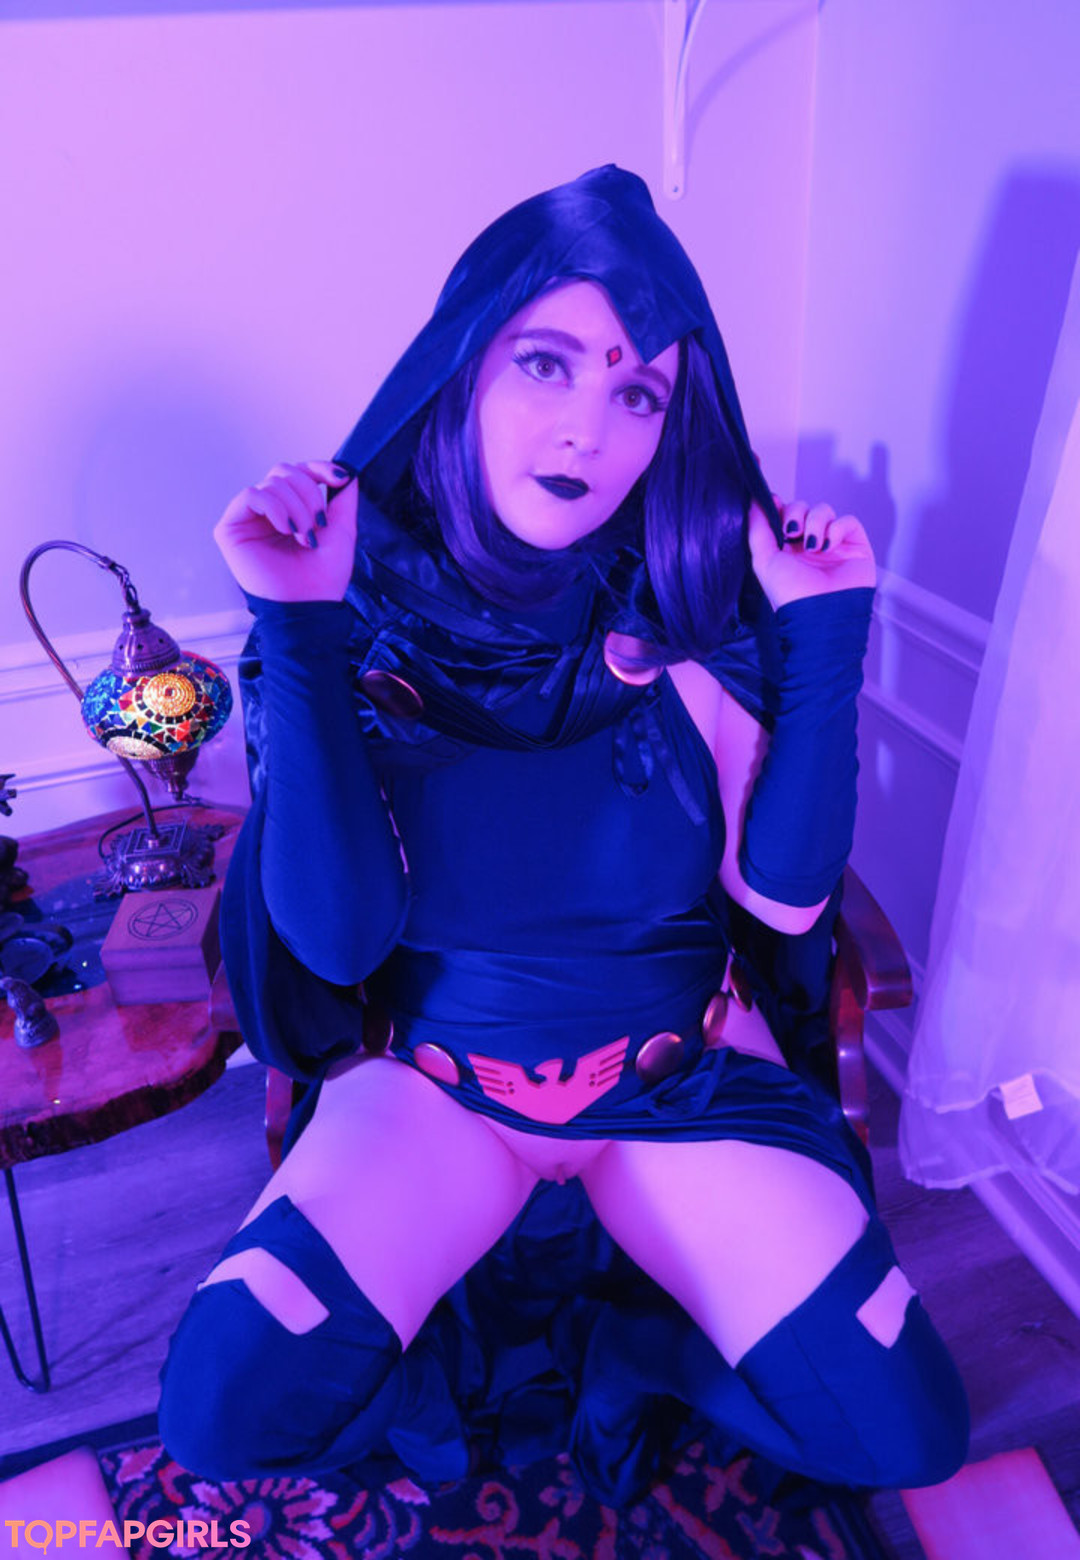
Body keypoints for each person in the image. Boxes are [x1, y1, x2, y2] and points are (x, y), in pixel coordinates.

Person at [158, 166, 968, 1502]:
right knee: (222, 1417)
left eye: (637, 392)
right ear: (461, 367)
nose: (589, 427)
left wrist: (826, 631)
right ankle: (449, 1389)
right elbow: (340, 941)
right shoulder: (349, 610)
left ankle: (641, 1352)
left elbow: (781, 904)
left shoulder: (691, 604)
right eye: (546, 363)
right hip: (435, 1096)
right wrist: (297, 624)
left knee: (907, 1434)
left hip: (676, 1084)